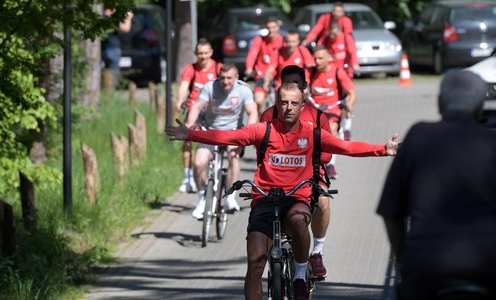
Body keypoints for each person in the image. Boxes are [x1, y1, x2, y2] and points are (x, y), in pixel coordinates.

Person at [166, 82, 399, 300]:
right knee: (255, 263)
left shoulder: (312, 133)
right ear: (276, 105)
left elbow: (347, 147)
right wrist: (191, 135)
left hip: (297, 196)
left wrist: (382, 149)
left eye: (294, 103)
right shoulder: (263, 131)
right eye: (284, 103)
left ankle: (299, 275)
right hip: (265, 199)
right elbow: (229, 137)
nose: (288, 108)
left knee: (298, 220)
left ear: (303, 106)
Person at [377, 70, 496, 300]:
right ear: (481, 107)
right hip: (494, 266)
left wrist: (406, 261)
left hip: (429, 269)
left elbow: (391, 213)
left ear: (440, 102)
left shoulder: (418, 136)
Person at [261, 65, 332, 279]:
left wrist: (301, 155)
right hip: (277, 174)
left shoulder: (317, 116)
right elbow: (261, 147)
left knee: (322, 202)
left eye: (298, 85)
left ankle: (317, 251)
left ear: (305, 88)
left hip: (309, 173)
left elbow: (327, 155)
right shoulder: (268, 115)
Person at [184, 63, 258, 219]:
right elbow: (197, 107)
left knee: (233, 156)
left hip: (233, 132)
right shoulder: (210, 87)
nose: (226, 82)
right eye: (222, 78)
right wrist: (189, 126)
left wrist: (248, 133)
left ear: (236, 78)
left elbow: (252, 112)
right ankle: (203, 196)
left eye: (229, 78)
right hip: (210, 130)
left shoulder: (244, 90)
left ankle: (230, 195)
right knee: (199, 163)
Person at [175, 39, 222, 193]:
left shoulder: (218, 69)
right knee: (187, 136)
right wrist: (180, 100)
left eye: (206, 53)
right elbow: (183, 86)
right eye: (200, 53)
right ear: (195, 54)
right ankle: (187, 177)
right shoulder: (191, 69)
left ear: (211, 52)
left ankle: (217, 170)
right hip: (194, 109)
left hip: (214, 111)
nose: (203, 57)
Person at [310, 46, 357, 179]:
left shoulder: (338, 72)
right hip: (314, 108)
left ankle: (330, 164)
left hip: (332, 109)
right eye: (315, 58)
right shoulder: (311, 72)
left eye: (320, 58)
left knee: (331, 129)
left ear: (329, 59)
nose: (317, 61)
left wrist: (349, 104)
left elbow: (352, 93)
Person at [244, 16, 284, 114]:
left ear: (278, 27)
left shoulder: (283, 41)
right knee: (258, 100)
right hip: (261, 74)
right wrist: (249, 67)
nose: (271, 30)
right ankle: (260, 117)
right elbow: (252, 54)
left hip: (277, 75)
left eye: (273, 27)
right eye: (269, 27)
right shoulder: (260, 40)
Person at [101, 8, 133, 90]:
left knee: (111, 74)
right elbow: (126, 28)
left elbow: (125, 28)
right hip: (107, 48)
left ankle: (108, 92)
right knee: (109, 73)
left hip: (111, 47)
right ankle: (108, 91)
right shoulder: (109, 12)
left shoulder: (113, 13)